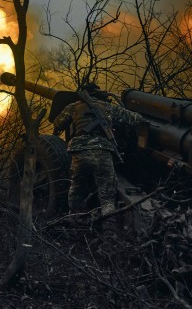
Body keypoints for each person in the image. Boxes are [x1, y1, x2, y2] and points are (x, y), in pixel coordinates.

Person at [52, 83, 142, 217]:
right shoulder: (108, 107)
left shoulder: (73, 107)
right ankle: (109, 230)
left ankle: (74, 222)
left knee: (76, 190)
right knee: (107, 198)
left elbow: (58, 123)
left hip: (79, 153)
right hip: (102, 152)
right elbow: (135, 119)